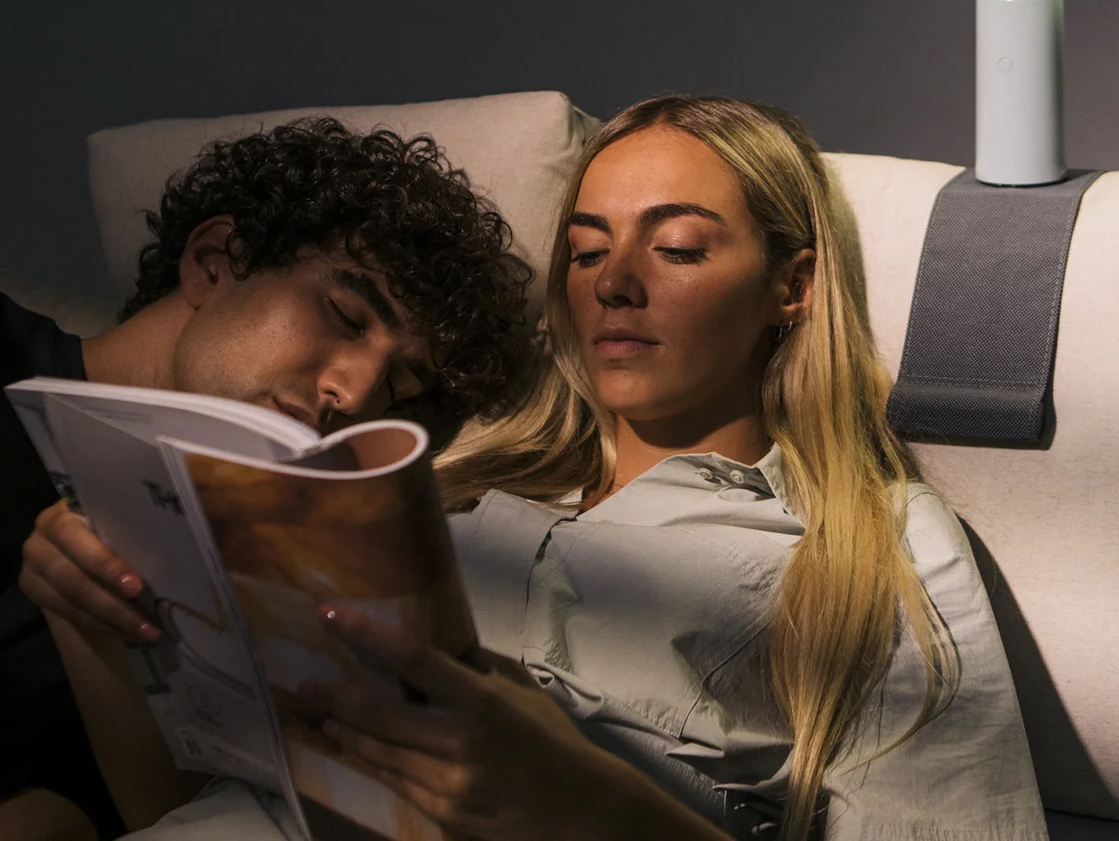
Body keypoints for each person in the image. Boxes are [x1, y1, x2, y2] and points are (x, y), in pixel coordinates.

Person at [24, 96, 1048, 841]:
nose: (616, 284)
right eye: (587, 251)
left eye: (678, 247)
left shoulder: (871, 545)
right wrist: (89, 624)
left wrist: (583, 802)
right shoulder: (426, 499)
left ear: (794, 286)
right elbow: (181, 809)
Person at [4, 117, 531, 840]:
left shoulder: (234, 586)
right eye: (345, 316)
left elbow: (138, 820)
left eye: (397, 389)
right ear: (214, 263)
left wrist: (92, 630)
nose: (355, 393)